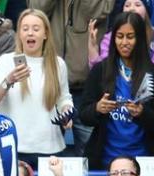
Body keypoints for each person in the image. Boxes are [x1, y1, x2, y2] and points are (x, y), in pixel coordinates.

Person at [80, 12, 154, 170]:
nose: (124, 42)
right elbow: (83, 114)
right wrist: (97, 108)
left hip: (144, 163)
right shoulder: (100, 70)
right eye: (119, 36)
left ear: (140, 39)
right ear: (113, 39)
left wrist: (143, 113)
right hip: (105, 162)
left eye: (130, 36)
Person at [28, 0, 115, 157]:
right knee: (47, 157)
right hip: (49, 87)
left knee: (89, 156)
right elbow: (36, 9)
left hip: (87, 87)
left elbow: (98, 11)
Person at [0, 9, 73, 168]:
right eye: (25, 28)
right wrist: (9, 80)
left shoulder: (58, 64)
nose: (30, 33)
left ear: (45, 34)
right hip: (13, 147)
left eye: (36, 29)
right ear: (19, 34)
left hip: (50, 148)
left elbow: (64, 98)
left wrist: (67, 111)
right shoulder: (5, 61)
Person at [89, 0, 154, 71]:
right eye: (127, 5)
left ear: (146, 11)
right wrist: (93, 50)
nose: (132, 8)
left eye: (137, 5)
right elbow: (102, 73)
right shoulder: (110, 39)